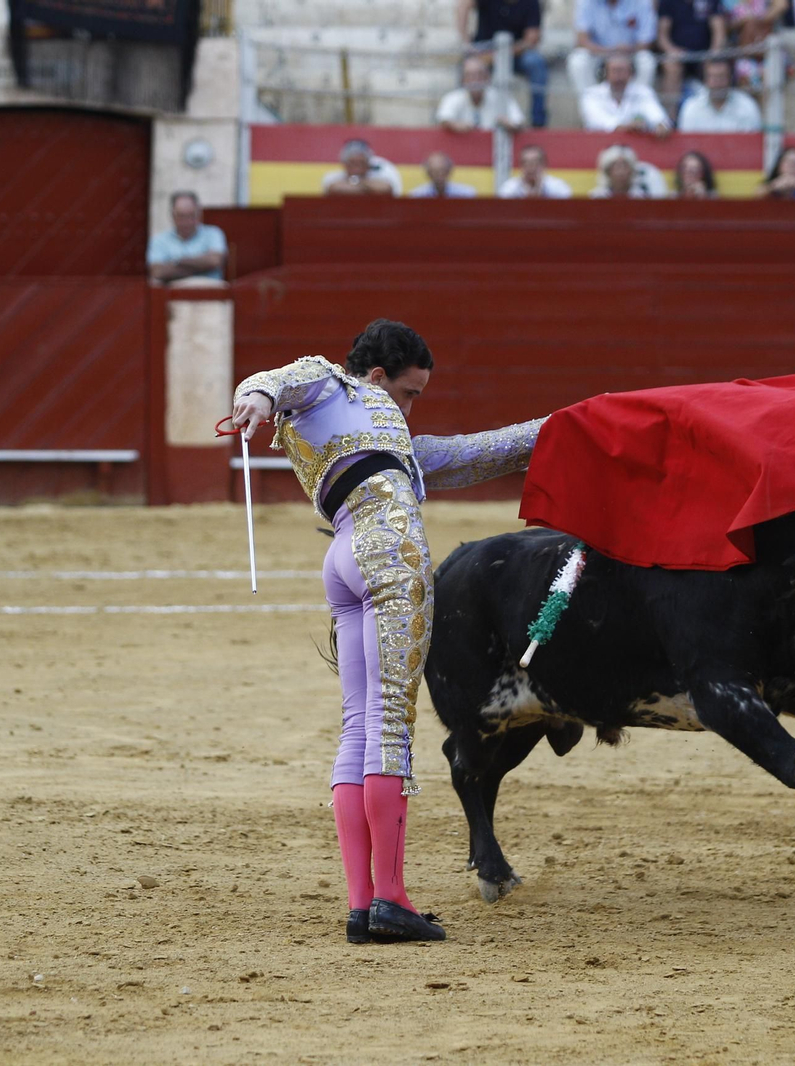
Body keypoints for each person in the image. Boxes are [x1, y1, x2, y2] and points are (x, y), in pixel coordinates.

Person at [228, 320, 546, 945]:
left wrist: (559, 426)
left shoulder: (365, 434)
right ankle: (392, 899)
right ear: (377, 377)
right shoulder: (334, 385)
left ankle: (362, 907)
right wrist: (256, 398)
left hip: (342, 557)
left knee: (359, 725)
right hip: (387, 550)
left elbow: (479, 451)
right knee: (391, 724)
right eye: (410, 393)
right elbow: (281, 379)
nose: (410, 407)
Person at [456, 0, 550, 127]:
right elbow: (463, 4)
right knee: (469, 67)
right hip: (483, 53)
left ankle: (538, 122)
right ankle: (458, 118)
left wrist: (499, 55)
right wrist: (467, 43)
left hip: (516, 54)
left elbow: (531, 39)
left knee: (536, 63)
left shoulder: (531, 2)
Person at [569, 0, 659, 92]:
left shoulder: (642, 2)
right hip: (600, 53)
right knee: (578, 60)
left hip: (631, 53)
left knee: (646, 60)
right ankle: (589, 102)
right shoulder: (586, 2)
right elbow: (582, 40)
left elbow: (647, 40)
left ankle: (639, 103)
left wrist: (628, 51)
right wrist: (609, 51)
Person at [145, 191, 228, 284]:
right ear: (172, 216)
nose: (187, 221)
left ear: (199, 214)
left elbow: (214, 261)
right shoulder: (159, 240)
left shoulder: (213, 234)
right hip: (172, 295)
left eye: (191, 215)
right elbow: (157, 271)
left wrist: (177, 262)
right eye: (181, 216)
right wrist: (203, 267)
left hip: (210, 293)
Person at [580, 52, 674, 133]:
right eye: (615, 70)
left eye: (622, 70)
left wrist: (660, 124)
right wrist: (625, 127)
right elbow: (596, 121)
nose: (619, 75)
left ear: (631, 73)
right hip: (599, 145)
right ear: (605, 73)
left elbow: (657, 116)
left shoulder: (643, 92)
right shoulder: (591, 94)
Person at [657, 0, 727, 103]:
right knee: (671, 67)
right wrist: (672, 51)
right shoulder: (668, 2)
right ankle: (671, 116)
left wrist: (713, 54)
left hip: (705, 55)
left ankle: (713, 109)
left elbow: (719, 32)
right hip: (678, 56)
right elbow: (662, 37)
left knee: (715, 68)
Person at [437, 54, 526, 133]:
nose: (475, 79)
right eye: (470, 75)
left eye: (479, 74)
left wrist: (509, 124)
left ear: (487, 77)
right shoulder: (453, 97)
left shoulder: (500, 97)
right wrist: (456, 125)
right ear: (463, 80)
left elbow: (518, 121)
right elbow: (444, 118)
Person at [678, 57, 764, 131]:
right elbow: (686, 146)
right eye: (713, 77)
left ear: (730, 79)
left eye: (722, 77)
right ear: (705, 80)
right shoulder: (691, 108)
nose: (717, 83)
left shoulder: (747, 106)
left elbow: (752, 144)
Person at [725, 0, 789, 88]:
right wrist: (743, 22)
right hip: (743, 53)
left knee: (770, 78)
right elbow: (724, 25)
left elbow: (782, 5)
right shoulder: (729, 2)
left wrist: (759, 20)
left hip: (766, 50)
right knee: (745, 77)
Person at [322, 139, 403, 197]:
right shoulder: (333, 176)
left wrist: (354, 183)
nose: (357, 167)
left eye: (361, 163)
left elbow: (385, 189)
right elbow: (335, 189)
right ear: (345, 164)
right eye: (353, 163)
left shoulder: (382, 174)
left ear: (368, 163)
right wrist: (368, 189)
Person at [498, 144, 575, 197]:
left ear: (544, 165)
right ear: (520, 166)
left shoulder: (558, 187)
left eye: (535, 163)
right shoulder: (510, 188)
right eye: (526, 163)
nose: (531, 168)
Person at [408, 152, 478, 198]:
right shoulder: (416, 195)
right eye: (435, 172)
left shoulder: (466, 194)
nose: (439, 176)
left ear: (449, 171)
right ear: (428, 174)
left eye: (442, 171)